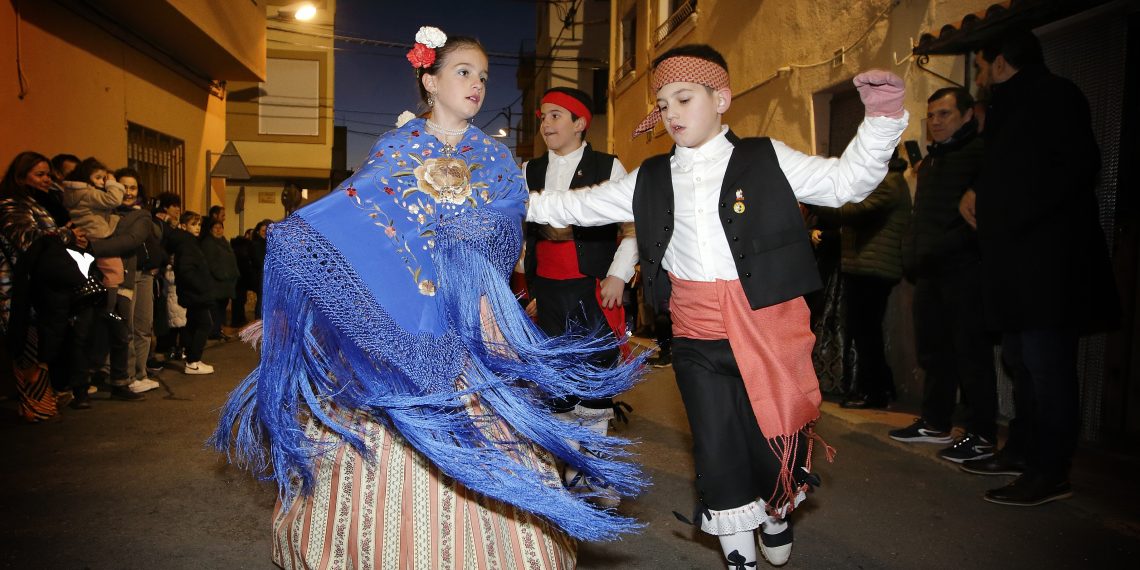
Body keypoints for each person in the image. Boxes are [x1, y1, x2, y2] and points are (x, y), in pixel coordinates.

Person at [212, 26, 644, 568]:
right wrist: (300, 281)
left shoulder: (495, 159)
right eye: (464, 72)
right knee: (393, 419)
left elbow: (509, 227)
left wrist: (466, 243)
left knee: (489, 419)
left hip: (474, 318)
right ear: (430, 80)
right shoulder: (396, 148)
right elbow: (359, 221)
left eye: (484, 77)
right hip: (404, 312)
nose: (477, 85)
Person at [527, 44, 908, 568]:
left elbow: (847, 183)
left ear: (721, 99)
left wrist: (883, 119)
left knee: (773, 438)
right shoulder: (651, 178)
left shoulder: (767, 158)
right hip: (695, 333)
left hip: (768, 327)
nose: (672, 113)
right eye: (663, 104)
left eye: (684, 98)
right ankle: (738, 555)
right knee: (715, 443)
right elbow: (573, 205)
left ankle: (775, 510)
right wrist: (494, 195)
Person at [958, 30, 1118, 506]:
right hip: (1015, 266)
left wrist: (1009, 212)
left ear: (1002, 63)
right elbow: (1006, 171)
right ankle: (1022, 451)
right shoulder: (1010, 107)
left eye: (984, 68)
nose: (982, 78)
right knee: (1020, 361)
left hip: (1048, 264)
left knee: (1048, 367)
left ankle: (1052, 472)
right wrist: (979, 192)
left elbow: (1076, 167)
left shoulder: (1056, 95)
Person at [521, 86, 636, 505]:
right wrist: (528, 289)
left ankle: (597, 469)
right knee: (555, 380)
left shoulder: (609, 166)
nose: (545, 124)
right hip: (548, 291)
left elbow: (632, 226)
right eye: (543, 116)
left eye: (555, 116)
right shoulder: (528, 170)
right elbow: (524, 239)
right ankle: (569, 469)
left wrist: (618, 276)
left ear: (579, 123)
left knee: (595, 374)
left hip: (592, 287)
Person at [888, 86, 998, 464]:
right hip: (930, 270)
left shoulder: (980, 154)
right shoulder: (934, 160)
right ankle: (935, 422)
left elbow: (979, 215)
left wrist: (953, 248)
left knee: (972, 354)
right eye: (932, 115)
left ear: (968, 115)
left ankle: (982, 434)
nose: (935, 122)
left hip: (964, 269)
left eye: (945, 114)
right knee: (934, 351)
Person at [813, 149, 910, 410]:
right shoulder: (879, 181)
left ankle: (875, 392)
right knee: (864, 331)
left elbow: (853, 212)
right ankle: (879, 387)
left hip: (875, 268)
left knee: (866, 332)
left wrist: (813, 196)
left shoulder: (889, 183)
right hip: (865, 266)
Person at [0, 152, 86, 422]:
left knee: (43, 346)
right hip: (20, 290)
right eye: (40, 174)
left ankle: (41, 400)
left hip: (45, 291)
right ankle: (34, 405)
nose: (47, 179)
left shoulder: (45, 203)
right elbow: (29, 241)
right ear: (20, 176)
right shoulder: (12, 205)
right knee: (27, 346)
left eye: (48, 174)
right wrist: (67, 234)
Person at [113, 168, 164, 393]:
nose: (128, 192)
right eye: (124, 187)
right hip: (126, 274)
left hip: (145, 275)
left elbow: (155, 236)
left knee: (144, 326)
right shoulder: (113, 214)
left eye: (132, 187)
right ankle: (128, 375)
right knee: (128, 327)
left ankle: (141, 373)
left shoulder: (143, 213)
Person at [165, 211, 214, 375]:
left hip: (193, 292)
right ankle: (193, 361)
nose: (198, 228)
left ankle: (191, 359)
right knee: (205, 324)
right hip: (194, 293)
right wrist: (202, 286)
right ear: (183, 226)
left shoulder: (189, 242)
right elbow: (186, 271)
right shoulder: (186, 244)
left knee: (193, 324)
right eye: (193, 224)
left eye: (199, 224)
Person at [199, 218, 238, 340]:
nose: (219, 230)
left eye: (220, 227)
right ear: (210, 230)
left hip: (225, 284)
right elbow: (212, 263)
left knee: (221, 309)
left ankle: (218, 329)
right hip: (216, 283)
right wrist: (222, 275)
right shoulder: (208, 243)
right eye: (216, 228)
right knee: (215, 309)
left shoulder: (224, 242)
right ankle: (213, 331)